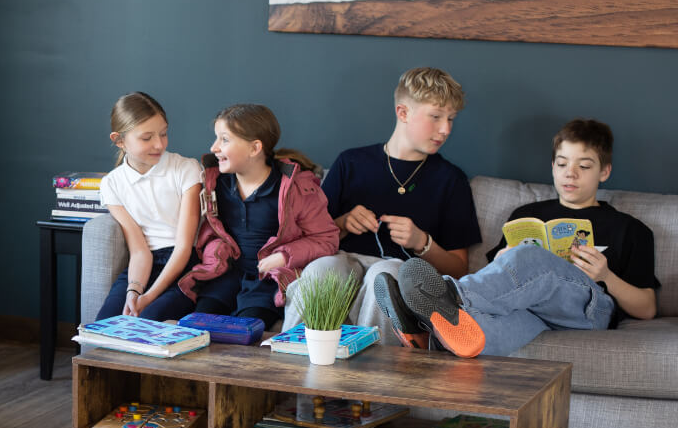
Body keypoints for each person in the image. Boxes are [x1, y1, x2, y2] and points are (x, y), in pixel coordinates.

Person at [375, 119, 659, 357]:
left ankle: (453, 295)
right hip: (531, 310)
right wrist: (503, 258)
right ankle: (428, 336)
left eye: (584, 166)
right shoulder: (527, 214)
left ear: (604, 171)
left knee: (532, 258)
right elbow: (497, 282)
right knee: (487, 327)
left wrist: (605, 275)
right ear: (552, 166)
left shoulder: (630, 229)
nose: (570, 173)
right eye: (562, 163)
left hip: (587, 312)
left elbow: (647, 309)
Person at [281, 67, 482, 346]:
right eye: (436, 117)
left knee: (385, 275)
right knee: (323, 270)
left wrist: (422, 243)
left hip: (400, 270)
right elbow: (308, 241)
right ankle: (288, 369)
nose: (445, 129)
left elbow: (459, 270)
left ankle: (372, 384)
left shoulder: (451, 180)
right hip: (343, 260)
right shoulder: (350, 163)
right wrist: (342, 224)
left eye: (450, 119)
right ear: (403, 112)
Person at [176, 104, 338, 329]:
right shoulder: (217, 183)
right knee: (197, 327)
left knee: (245, 332)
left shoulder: (296, 187)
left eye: (224, 140)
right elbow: (212, 232)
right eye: (216, 138)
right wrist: (217, 252)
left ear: (254, 148)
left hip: (267, 282)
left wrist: (284, 257)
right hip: (226, 276)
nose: (214, 147)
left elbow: (326, 239)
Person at [94, 92, 202, 323]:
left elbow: (183, 247)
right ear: (119, 140)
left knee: (148, 319)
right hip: (144, 266)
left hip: (184, 265)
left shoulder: (186, 169)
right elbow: (139, 250)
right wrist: (134, 291)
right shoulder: (112, 184)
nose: (159, 144)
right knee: (105, 326)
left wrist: (149, 296)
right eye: (147, 138)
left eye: (163, 134)